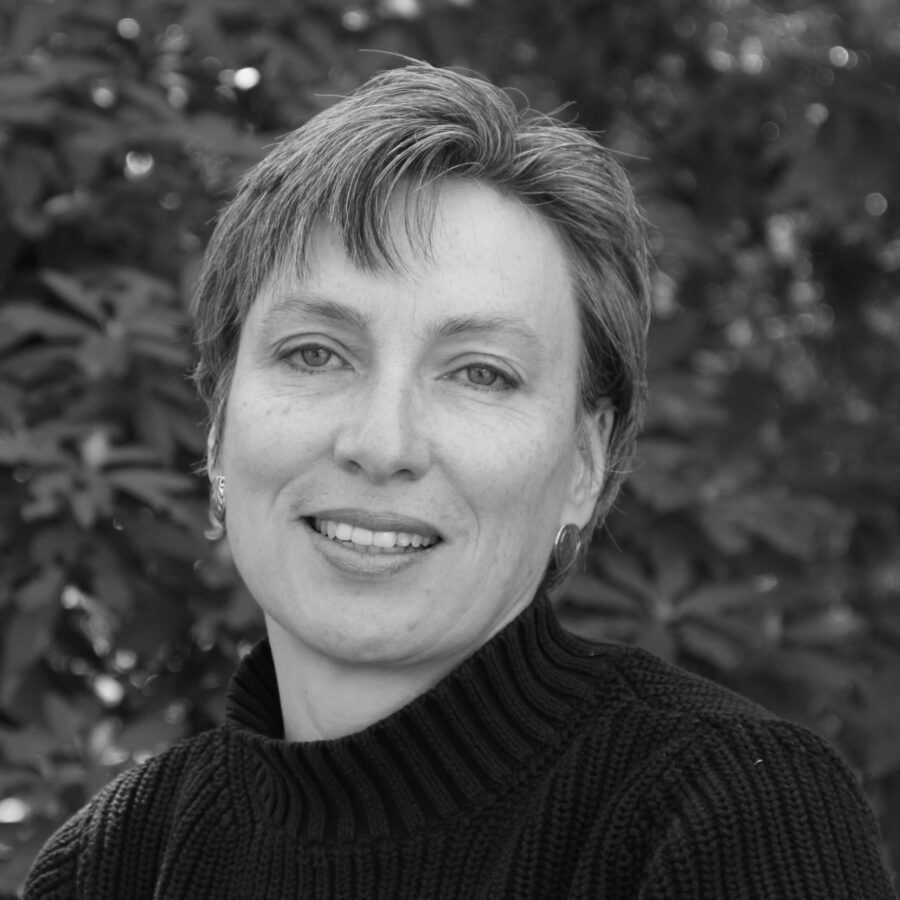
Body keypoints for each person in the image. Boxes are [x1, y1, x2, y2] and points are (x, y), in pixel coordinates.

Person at [24, 63, 896, 900]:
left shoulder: (728, 818)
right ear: (219, 429)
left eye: (479, 372)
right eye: (316, 353)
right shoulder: (115, 866)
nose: (381, 442)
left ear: (584, 466)